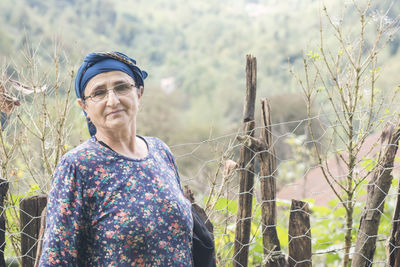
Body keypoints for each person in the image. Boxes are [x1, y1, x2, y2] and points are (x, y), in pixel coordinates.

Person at [39, 52, 193, 266]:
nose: (113, 100)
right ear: (84, 106)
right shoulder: (78, 166)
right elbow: (56, 260)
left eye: (121, 87)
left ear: (139, 93)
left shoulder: (160, 151)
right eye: (99, 93)